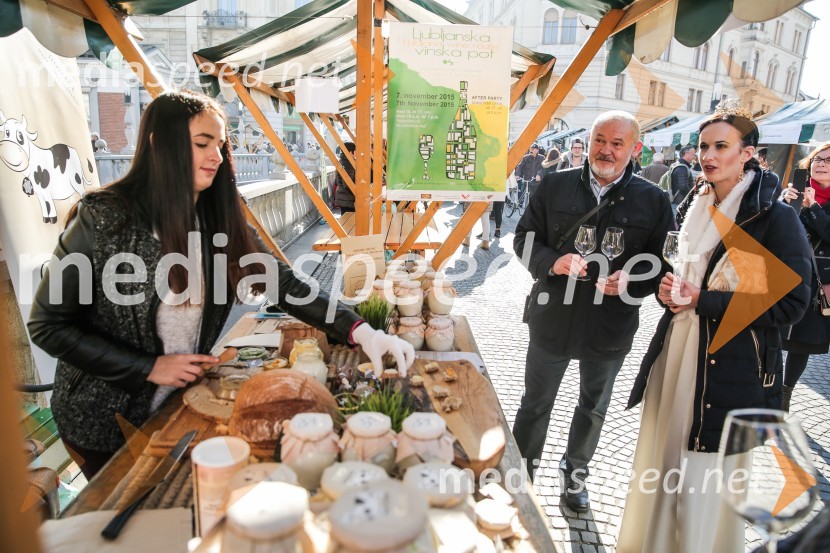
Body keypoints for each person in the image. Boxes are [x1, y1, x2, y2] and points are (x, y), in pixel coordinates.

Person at [27, 91, 414, 480]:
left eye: (220, 144)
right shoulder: (103, 218)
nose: (215, 155)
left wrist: (359, 330)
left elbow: (284, 283)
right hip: (100, 420)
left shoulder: (219, 220)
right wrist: (147, 367)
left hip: (175, 405)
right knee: (130, 510)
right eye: (202, 143)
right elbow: (48, 326)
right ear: (159, 144)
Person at [618, 102, 812, 553]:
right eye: (703, 146)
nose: (707, 155)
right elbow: (684, 274)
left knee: (702, 477)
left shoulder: (775, 216)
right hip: (677, 349)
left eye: (721, 146)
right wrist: (668, 292)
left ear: (748, 154)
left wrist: (703, 300)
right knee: (664, 460)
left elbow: (792, 302)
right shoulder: (697, 202)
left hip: (728, 363)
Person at [512, 110, 673, 512]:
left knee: (593, 407)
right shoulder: (555, 185)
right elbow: (523, 238)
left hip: (610, 324)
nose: (605, 150)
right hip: (554, 316)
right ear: (589, 141)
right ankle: (520, 476)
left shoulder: (654, 200)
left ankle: (575, 476)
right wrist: (552, 261)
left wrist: (631, 282)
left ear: (635, 149)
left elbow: (663, 264)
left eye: (617, 143)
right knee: (535, 403)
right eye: (600, 140)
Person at [780, 141, 830, 411]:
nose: (821, 164)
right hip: (784, 275)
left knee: (801, 343)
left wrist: (813, 208)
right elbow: (774, 231)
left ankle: (785, 394)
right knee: (771, 333)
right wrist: (782, 204)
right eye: (817, 159)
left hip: (818, 282)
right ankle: (766, 386)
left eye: (828, 160)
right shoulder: (793, 192)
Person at [334, 141, 356, 213]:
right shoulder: (347, 163)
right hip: (347, 198)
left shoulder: (343, 161)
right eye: (355, 151)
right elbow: (347, 183)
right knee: (349, 218)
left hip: (344, 197)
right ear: (350, 152)